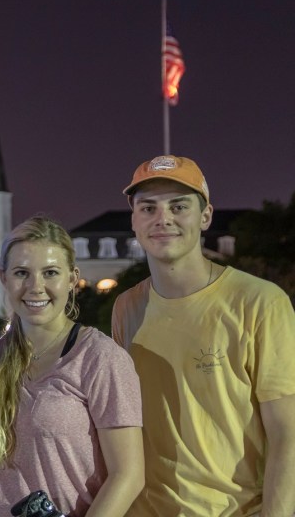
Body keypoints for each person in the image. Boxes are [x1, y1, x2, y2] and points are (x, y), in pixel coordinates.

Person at [112, 155, 295, 516]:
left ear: (206, 216)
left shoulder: (260, 302)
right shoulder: (126, 307)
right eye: (148, 208)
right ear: (134, 221)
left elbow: (286, 436)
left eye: (179, 206)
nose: (162, 218)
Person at [0, 216, 143, 517]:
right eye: (21, 273)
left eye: (50, 272)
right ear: (4, 278)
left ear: (71, 278)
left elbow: (128, 476)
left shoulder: (99, 357)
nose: (35, 286)